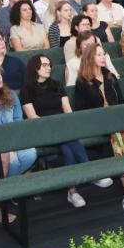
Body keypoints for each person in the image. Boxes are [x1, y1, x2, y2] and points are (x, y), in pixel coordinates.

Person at [22, 54, 112, 208]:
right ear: (34, 68)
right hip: (42, 129)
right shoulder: (27, 89)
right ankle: (90, 173)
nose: (49, 68)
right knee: (70, 142)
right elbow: (32, 117)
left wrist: (66, 125)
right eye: (44, 65)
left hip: (63, 127)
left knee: (68, 150)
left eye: (49, 65)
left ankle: (72, 192)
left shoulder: (56, 84)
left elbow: (67, 109)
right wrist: (55, 127)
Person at [74, 43, 124, 190]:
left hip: (115, 118)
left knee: (118, 127)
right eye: (98, 55)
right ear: (90, 58)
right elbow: (80, 109)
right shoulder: (82, 82)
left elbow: (121, 101)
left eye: (103, 54)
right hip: (95, 121)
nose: (103, 57)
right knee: (117, 128)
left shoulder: (110, 76)